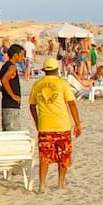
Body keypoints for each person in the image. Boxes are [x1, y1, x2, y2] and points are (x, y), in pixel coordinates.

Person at [27, 58, 78, 192]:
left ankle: (42, 184)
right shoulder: (62, 83)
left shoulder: (37, 84)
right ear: (57, 70)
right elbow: (71, 104)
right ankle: (60, 183)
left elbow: (32, 106)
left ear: (44, 71)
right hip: (63, 125)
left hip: (45, 126)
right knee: (64, 155)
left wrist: (37, 121)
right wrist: (77, 123)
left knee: (45, 156)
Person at [0, 44, 26, 132]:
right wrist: (12, 95)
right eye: (22, 55)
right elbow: (4, 80)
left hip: (6, 104)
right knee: (13, 132)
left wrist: (4, 90)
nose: (23, 58)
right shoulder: (12, 67)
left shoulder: (5, 66)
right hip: (11, 105)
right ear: (15, 55)